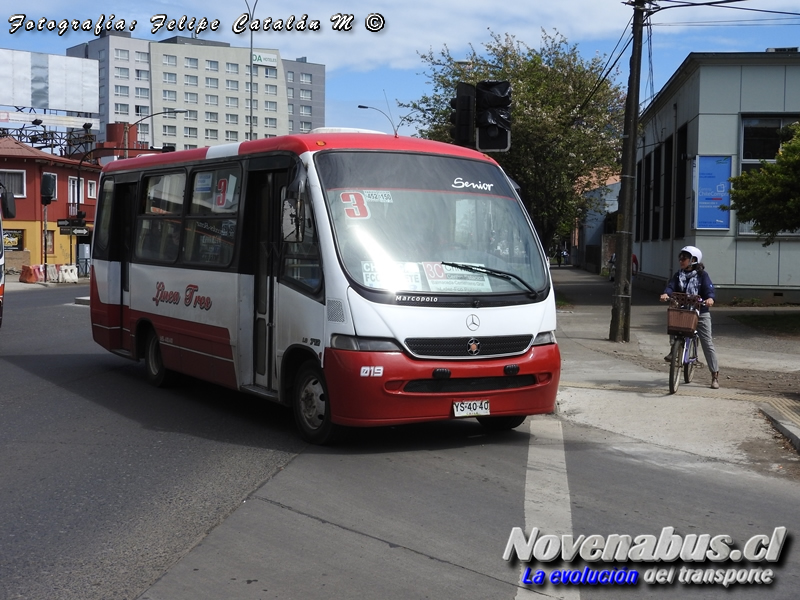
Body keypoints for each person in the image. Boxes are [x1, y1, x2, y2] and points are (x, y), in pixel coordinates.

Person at [659, 245, 720, 389]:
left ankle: (714, 375)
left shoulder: (702, 276)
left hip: (700, 312)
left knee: (707, 342)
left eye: (684, 258)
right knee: (673, 326)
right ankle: (674, 349)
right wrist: (666, 293)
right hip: (683, 310)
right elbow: (671, 286)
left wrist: (710, 299)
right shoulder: (678, 274)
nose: (681, 260)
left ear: (693, 260)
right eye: (680, 257)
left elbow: (709, 290)